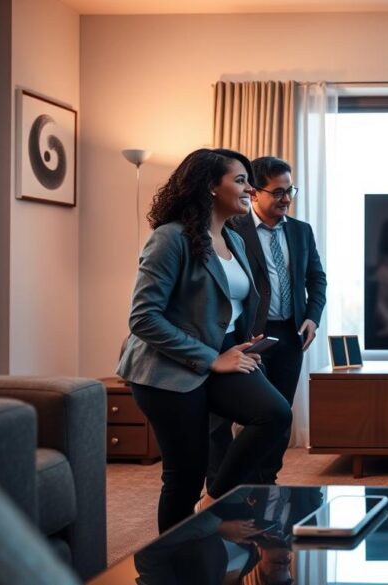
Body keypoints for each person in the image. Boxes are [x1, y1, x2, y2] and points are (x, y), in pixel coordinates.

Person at [117, 148, 293, 532]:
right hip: (167, 369)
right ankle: (173, 559)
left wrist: (245, 341)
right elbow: (143, 318)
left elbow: (227, 303)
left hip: (222, 354)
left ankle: (213, 501)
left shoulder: (233, 238)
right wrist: (211, 359)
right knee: (185, 474)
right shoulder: (170, 238)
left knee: (275, 414)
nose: (250, 189)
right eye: (241, 181)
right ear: (211, 186)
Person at [209, 156, 327, 486]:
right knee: (224, 419)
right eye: (278, 192)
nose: (286, 199)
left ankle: (265, 484)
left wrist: (312, 318)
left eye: (290, 191)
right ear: (255, 192)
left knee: (280, 414)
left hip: (290, 334)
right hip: (246, 337)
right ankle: (220, 488)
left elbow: (317, 279)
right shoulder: (233, 229)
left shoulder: (301, 231)